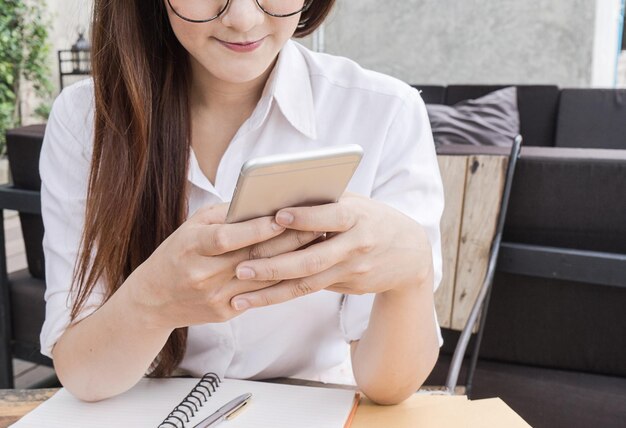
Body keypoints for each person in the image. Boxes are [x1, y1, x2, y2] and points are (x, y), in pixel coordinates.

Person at [39, 0, 444, 404]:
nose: (244, 19)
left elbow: (388, 387)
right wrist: (152, 301)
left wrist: (413, 276)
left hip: (316, 407)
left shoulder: (384, 111)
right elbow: (82, 373)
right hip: (143, 408)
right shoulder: (87, 118)